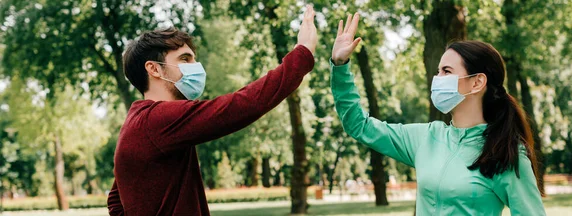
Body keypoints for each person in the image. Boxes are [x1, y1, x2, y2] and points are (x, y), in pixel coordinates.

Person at [107, 6, 317, 216]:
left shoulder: (138, 121)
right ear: (154, 69)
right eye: (185, 59)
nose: (196, 66)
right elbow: (242, 106)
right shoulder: (158, 119)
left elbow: (116, 201)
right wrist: (302, 54)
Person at [329, 13, 545, 215]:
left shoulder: (506, 153)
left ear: (477, 82)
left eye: (446, 71)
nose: (438, 79)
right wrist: (340, 67)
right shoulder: (426, 138)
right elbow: (359, 125)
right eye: (438, 71)